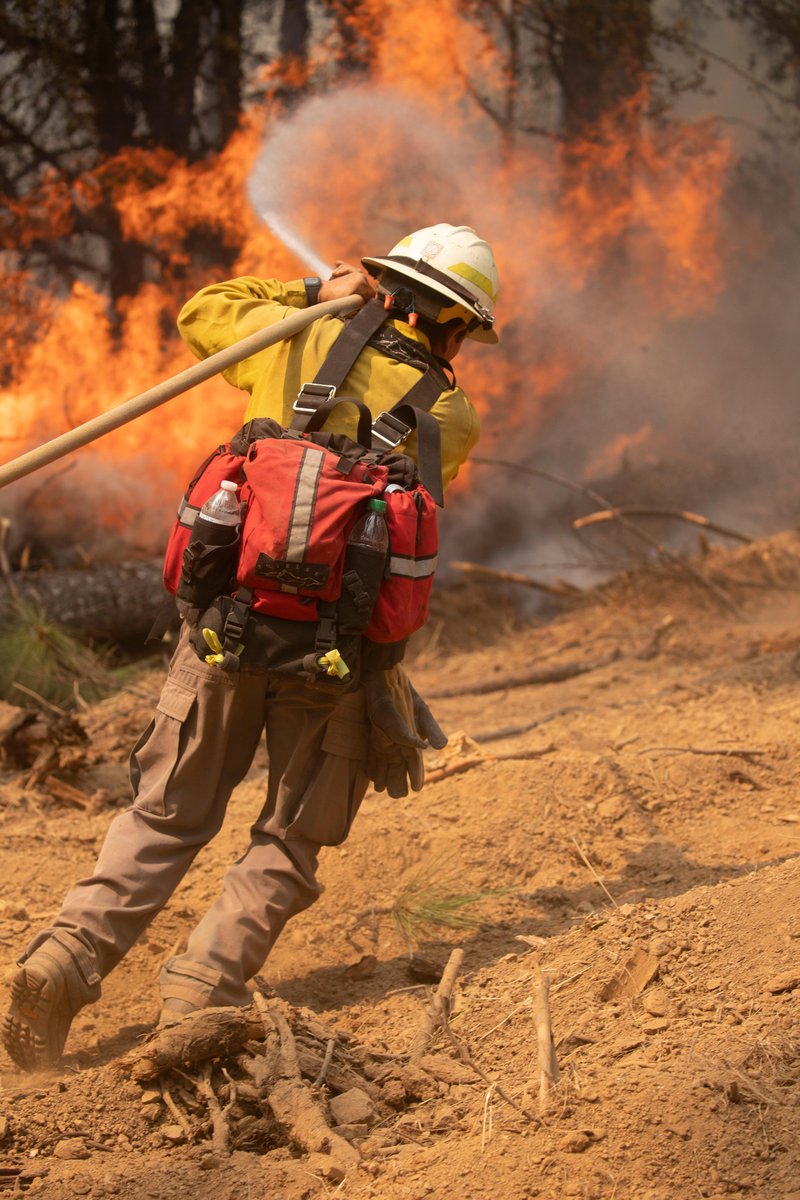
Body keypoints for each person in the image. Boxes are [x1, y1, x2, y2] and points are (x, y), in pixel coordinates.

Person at [1, 223, 500, 1071]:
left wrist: (315, 297)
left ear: (390, 288)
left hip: (224, 633)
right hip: (335, 662)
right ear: (454, 326)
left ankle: (64, 959)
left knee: (165, 815)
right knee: (289, 838)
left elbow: (203, 312)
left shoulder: (294, 339)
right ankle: (201, 990)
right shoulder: (449, 415)